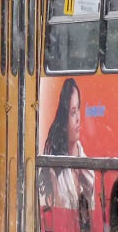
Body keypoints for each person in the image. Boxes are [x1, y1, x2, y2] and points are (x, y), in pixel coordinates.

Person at [40, 78, 95, 211]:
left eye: (79, 109)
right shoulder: (55, 169)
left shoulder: (89, 171)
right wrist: (54, 183)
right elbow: (55, 214)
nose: (78, 119)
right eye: (72, 112)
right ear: (64, 120)